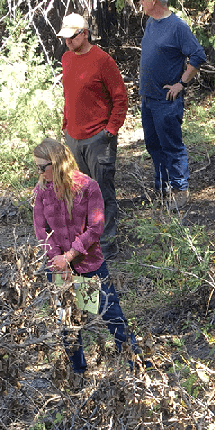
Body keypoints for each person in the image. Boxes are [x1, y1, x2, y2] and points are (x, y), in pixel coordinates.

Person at [32, 138, 142, 374]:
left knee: (111, 314)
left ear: (58, 163)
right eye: (37, 167)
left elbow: (95, 228)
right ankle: (77, 373)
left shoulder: (87, 186)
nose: (40, 172)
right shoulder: (42, 190)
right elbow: (41, 229)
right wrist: (57, 259)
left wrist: (70, 255)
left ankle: (136, 363)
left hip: (89, 265)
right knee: (67, 324)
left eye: (43, 167)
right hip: (59, 268)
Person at [57, 13, 128, 261]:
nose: (67, 41)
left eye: (72, 36)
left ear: (84, 33)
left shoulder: (102, 61)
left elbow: (120, 97)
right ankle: (87, 241)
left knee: (102, 191)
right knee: (80, 192)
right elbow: (69, 96)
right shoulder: (66, 59)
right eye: (64, 37)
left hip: (99, 138)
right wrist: (66, 126)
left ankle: (108, 243)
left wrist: (110, 130)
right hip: (74, 137)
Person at [133, 0, 207, 209]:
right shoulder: (150, 23)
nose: (139, 2)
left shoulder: (177, 27)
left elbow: (198, 55)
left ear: (152, 0)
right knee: (153, 145)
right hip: (148, 99)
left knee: (171, 146)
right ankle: (162, 188)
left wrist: (181, 84)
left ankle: (179, 189)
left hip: (166, 101)